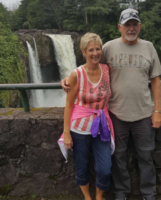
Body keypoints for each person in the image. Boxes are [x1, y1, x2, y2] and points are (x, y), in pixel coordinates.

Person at [61, 8, 161, 200]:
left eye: (134, 24)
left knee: (146, 156)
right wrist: (67, 79)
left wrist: (157, 110)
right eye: (127, 25)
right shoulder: (108, 47)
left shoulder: (149, 47)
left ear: (139, 26)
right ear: (120, 27)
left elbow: (156, 80)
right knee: (118, 158)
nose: (131, 28)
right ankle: (121, 193)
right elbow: (91, 66)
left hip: (143, 114)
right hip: (116, 115)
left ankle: (149, 195)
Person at [63, 32, 114, 200]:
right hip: (79, 129)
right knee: (82, 165)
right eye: (90, 50)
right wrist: (67, 134)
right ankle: (87, 197)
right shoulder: (77, 74)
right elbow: (69, 105)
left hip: (102, 128)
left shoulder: (106, 69)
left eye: (97, 49)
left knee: (105, 167)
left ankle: (99, 196)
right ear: (83, 52)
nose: (95, 53)